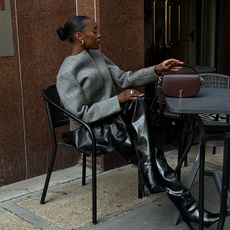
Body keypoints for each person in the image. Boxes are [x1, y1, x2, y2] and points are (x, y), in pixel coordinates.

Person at [56, 16, 219, 228]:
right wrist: (118, 99)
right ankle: (187, 206)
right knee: (149, 151)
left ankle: (155, 176)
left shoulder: (96, 55)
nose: (99, 34)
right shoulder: (66, 73)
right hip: (88, 130)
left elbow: (125, 79)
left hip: (110, 122)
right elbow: (81, 113)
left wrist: (157, 69)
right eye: (94, 31)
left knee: (138, 103)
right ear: (79, 37)